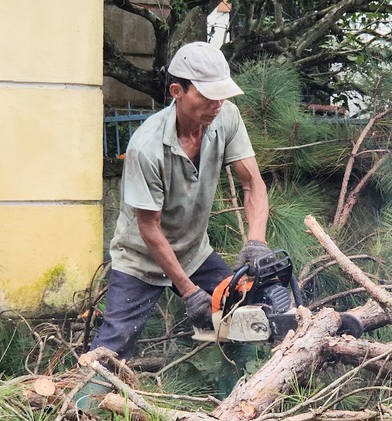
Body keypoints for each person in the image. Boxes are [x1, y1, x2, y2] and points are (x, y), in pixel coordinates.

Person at [82, 41, 272, 406]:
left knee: (249, 310)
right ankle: (80, 408)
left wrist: (256, 242)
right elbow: (149, 228)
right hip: (140, 259)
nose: (217, 104)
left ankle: (236, 402)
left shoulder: (225, 117)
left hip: (194, 252)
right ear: (177, 91)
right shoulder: (146, 147)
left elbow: (253, 184)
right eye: (208, 96)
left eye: (222, 96)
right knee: (111, 350)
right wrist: (188, 292)